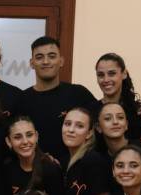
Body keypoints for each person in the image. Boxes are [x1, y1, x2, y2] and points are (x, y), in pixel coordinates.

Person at [14, 36, 96, 166]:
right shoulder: (21, 100)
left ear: (61, 61)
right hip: (35, 173)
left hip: (75, 172)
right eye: (39, 57)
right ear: (31, 63)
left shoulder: (78, 93)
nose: (46, 61)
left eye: (52, 56)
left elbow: (101, 124)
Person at [4, 116, 65, 195]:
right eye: (17, 137)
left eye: (29, 135)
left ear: (36, 136)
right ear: (9, 142)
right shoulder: (8, 168)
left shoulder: (50, 168)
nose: (25, 141)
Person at [62, 107, 110, 195]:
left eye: (79, 126)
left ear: (89, 133)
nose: (71, 130)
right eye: (67, 123)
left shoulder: (92, 160)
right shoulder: (66, 162)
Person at [94, 53, 141, 140]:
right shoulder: (92, 111)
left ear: (124, 74)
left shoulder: (140, 111)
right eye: (101, 75)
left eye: (111, 73)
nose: (106, 80)